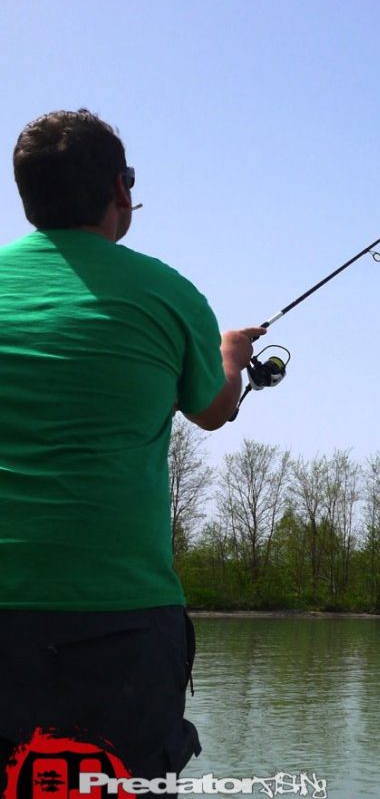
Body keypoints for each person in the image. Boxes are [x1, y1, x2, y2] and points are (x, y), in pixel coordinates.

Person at [0, 109, 264, 791]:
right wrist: (231, 354)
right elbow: (214, 409)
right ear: (121, 190)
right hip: (119, 627)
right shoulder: (168, 294)